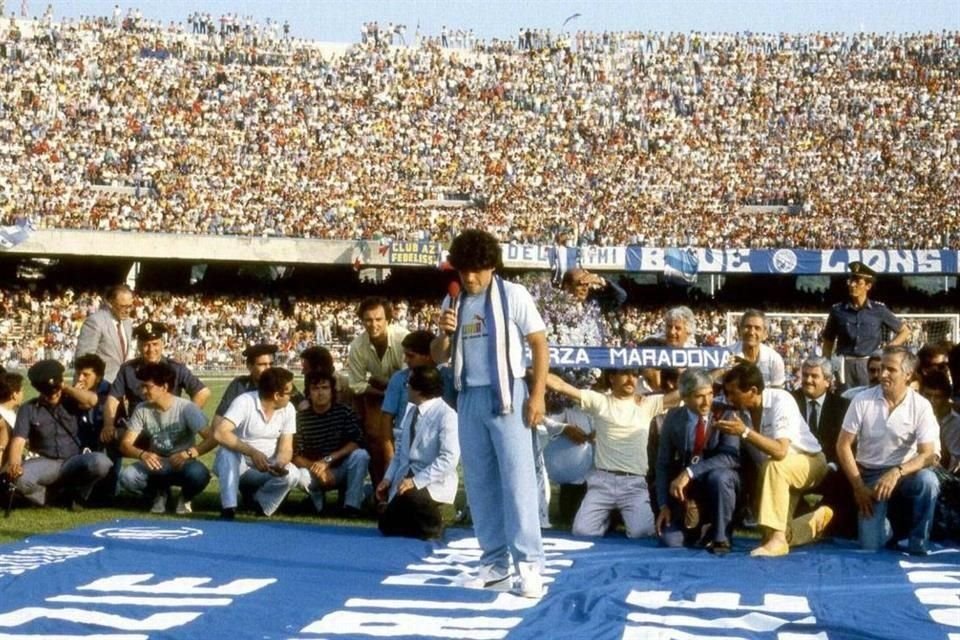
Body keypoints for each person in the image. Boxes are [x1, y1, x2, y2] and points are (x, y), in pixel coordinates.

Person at [433, 229, 549, 599]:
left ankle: (530, 567)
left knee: (518, 484)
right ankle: (495, 566)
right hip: (468, 396)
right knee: (480, 485)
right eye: (464, 270)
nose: (470, 277)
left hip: (508, 395)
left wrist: (537, 394)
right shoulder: (452, 303)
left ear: (492, 266)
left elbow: (538, 342)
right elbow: (438, 356)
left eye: (478, 270)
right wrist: (443, 335)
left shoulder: (513, 295)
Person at [546, 368, 677, 539]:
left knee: (642, 534)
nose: (631, 379)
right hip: (602, 483)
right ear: (612, 378)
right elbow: (560, 385)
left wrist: (719, 365)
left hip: (634, 484)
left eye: (634, 375)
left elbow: (686, 391)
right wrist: (531, 368)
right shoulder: (599, 401)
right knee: (582, 531)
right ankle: (607, 519)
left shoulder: (647, 404)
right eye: (625, 373)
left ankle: (614, 517)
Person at [718, 362, 833, 557]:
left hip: (810, 461)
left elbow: (780, 451)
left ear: (752, 391)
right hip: (777, 476)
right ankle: (814, 523)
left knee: (774, 465)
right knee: (769, 537)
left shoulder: (781, 400)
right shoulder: (738, 409)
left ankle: (778, 540)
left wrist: (745, 432)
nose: (728, 398)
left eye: (733, 392)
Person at [836, 346, 941, 554]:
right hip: (870, 475)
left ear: (907, 374)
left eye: (890, 369)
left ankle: (918, 542)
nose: (883, 374)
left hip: (906, 473)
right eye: (882, 368)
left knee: (928, 481)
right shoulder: (862, 400)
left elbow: (928, 454)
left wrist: (897, 471)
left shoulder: (921, 406)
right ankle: (891, 530)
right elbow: (843, 445)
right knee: (870, 547)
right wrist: (858, 486)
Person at [5, 361, 112, 509]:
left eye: (55, 391)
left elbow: (92, 400)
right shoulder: (28, 409)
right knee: (21, 480)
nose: (54, 396)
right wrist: (15, 464)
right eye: (49, 393)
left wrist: (64, 386)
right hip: (46, 461)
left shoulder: (73, 401)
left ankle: (78, 496)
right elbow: (18, 440)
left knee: (101, 462)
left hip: (74, 459)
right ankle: (49, 498)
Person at [655, 369, 740, 554]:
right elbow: (663, 463)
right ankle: (702, 530)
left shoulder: (726, 414)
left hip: (719, 486)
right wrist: (663, 505)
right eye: (699, 396)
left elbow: (729, 457)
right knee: (670, 541)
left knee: (720, 477)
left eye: (710, 394)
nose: (707, 401)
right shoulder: (673, 417)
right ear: (684, 397)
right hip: (689, 493)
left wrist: (689, 472)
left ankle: (721, 537)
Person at [118, 362, 216, 514]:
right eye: (141, 386)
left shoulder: (186, 408)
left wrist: (187, 454)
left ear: (164, 387)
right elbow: (125, 444)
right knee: (127, 477)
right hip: (156, 463)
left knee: (200, 474)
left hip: (183, 463)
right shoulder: (142, 409)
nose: (143, 391)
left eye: (147, 387)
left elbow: (212, 439)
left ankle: (185, 497)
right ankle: (158, 494)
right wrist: (143, 454)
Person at [377, 365, 460, 539]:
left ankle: (436, 520)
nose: (406, 387)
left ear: (419, 389)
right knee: (385, 525)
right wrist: (387, 479)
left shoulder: (447, 416)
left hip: (431, 481)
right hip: (405, 481)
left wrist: (415, 482)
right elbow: (400, 454)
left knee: (411, 500)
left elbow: (449, 459)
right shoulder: (411, 412)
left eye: (408, 384)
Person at [103, 320, 210, 446]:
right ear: (138, 346)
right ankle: (112, 466)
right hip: (138, 430)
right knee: (108, 436)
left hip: (169, 428)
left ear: (162, 344)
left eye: (155, 344)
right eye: (146, 345)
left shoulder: (176, 368)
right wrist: (108, 424)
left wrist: (185, 418)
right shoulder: (128, 369)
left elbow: (203, 392)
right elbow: (113, 399)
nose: (151, 349)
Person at [214, 367, 300, 519]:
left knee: (293, 474)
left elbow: (286, 446)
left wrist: (280, 464)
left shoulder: (289, 409)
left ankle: (260, 504)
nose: (291, 396)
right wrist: (252, 452)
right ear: (276, 395)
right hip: (238, 466)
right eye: (289, 393)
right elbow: (220, 432)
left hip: (268, 467)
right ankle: (229, 507)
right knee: (227, 453)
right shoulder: (245, 402)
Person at [346, 297, 409, 486]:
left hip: (406, 393)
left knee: (403, 441)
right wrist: (382, 389)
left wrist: (381, 383)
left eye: (378, 319)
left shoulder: (403, 338)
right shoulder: (357, 345)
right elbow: (356, 385)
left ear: (388, 319)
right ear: (362, 321)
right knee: (374, 438)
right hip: (378, 394)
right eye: (368, 320)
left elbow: (409, 378)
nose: (373, 325)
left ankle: (402, 487)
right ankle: (379, 488)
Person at [792, 356, 856, 538]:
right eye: (805, 375)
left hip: (833, 468)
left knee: (849, 476)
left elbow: (850, 444)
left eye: (814, 376)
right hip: (798, 466)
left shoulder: (843, 407)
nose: (808, 380)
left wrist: (833, 464)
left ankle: (837, 528)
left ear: (828, 381)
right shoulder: (790, 401)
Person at [293, 369, 370, 516]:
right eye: (315, 388)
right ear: (308, 393)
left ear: (332, 391)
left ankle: (352, 506)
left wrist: (327, 460)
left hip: (340, 467)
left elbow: (356, 442)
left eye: (325, 388)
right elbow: (295, 455)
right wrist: (317, 468)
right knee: (299, 475)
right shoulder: (300, 419)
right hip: (313, 470)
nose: (320, 393)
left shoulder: (344, 412)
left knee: (361, 455)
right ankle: (317, 503)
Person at [821, 261, 910, 388]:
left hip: (870, 366)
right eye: (851, 281)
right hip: (844, 367)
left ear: (868, 286)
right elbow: (828, 343)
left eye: (858, 282)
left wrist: (886, 350)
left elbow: (904, 331)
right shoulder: (838, 311)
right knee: (845, 402)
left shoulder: (879, 310)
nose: (852, 285)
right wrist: (827, 370)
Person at [380, 330, 436, 463]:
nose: (406, 360)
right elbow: (386, 419)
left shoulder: (444, 378)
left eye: (411, 356)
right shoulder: (399, 379)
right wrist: (389, 456)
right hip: (402, 443)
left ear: (428, 356)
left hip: (433, 446)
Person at [75, 284, 134, 383]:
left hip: (120, 386)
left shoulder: (127, 323)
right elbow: (84, 360)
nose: (127, 310)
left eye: (130, 306)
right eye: (123, 306)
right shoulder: (95, 322)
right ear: (110, 303)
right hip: (99, 387)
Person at [214, 343, 279, 424]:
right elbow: (220, 417)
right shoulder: (239, 385)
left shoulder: (282, 383)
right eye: (262, 364)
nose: (268, 368)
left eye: (271, 364)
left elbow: (299, 405)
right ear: (249, 366)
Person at [728, 310, 786, 388]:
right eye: (747, 327)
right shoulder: (727, 354)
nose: (751, 332)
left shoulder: (774, 359)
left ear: (765, 334)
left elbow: (778, 393)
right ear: (740, 330)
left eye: (757, 328)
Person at [0, 373, 23, 467]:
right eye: (21, 391)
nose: (23, 394)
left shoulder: (13, 412)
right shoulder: (2, 418)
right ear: (14, 394)